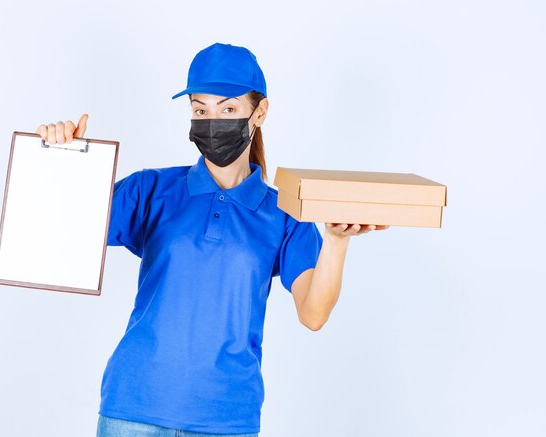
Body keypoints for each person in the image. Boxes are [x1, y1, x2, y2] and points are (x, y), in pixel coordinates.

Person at [36, 42, 389, 437]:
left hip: (226, 418)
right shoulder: (151, 190)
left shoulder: (284, 213)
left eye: (228, 109)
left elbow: (313, 314)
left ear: (260, 112)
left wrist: (337, 241)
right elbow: (57, 229)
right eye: (200, 110)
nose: (212, 120)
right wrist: (62, 159)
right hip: (133, 407)